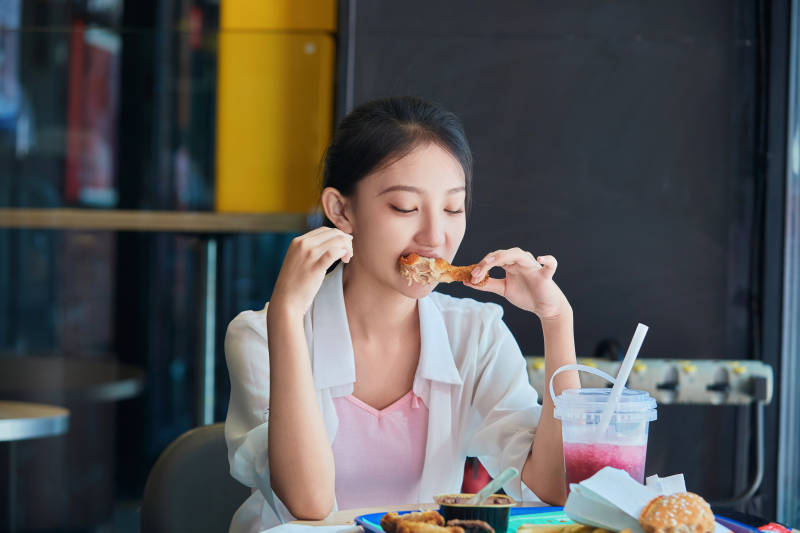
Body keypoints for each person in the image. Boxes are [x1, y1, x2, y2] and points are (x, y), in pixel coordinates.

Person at [224, 96, 580, 533]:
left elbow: (555, 486)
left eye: (452, 208)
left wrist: (556, 320)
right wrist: (287, 315)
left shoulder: (474, 333)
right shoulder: (260, 336)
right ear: (341, 210)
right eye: (405, 208)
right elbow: (309, 503)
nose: (434, 235)